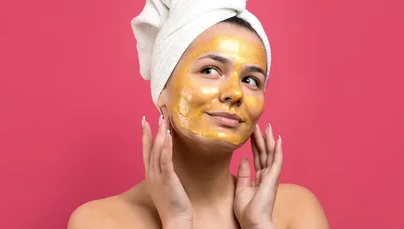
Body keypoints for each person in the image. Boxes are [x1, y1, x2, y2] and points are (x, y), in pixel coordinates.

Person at [68, 0, 329, 228]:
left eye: (251, 80)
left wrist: (259, 224)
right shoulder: (101, 221)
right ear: (163, 89)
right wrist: (177, 222)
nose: (235, 93)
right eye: (210, 71)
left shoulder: (296, 210)